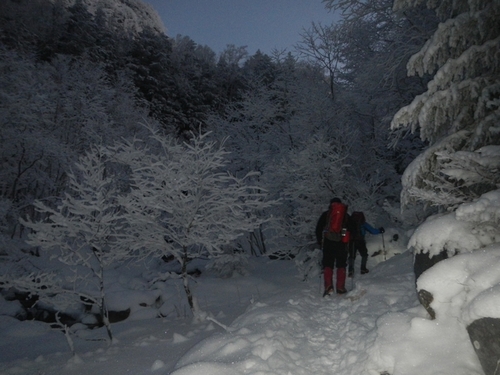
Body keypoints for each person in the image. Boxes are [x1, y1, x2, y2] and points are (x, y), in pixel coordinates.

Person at [315, 198, 349, 296]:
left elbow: (318, 228)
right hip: (341, 243)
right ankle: (340, 288)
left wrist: (320, 240)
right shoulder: (345, 215)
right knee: (341, 264)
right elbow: (352, 228)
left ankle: (328, 287)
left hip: (328, 242)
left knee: (328, 264)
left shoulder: (326, 215)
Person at [347, 211, 384, 277]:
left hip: (352, 241)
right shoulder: (363, 223)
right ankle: (363, 269)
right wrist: (380, 230)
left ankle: (350, 270)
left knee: (352, 256)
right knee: (364, 254)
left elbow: (344, 231)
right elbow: (372, 231)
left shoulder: (349, 223)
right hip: (361, 241)